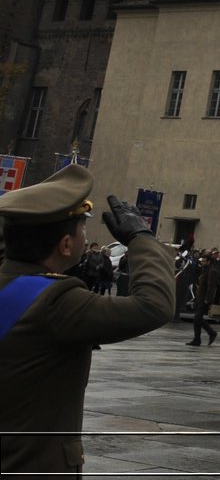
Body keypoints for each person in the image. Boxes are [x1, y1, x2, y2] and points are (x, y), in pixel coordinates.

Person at [0, 164, 177, 477]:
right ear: (66, 245)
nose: (84, 237)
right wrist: (141, 237)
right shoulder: (56, 301)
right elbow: (154, 305)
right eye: (82, 229)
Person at [189, 252, 220, 346]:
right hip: (200, 298)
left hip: (205, 299)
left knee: (197, 318)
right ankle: (197, 339)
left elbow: (211, 287)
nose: (202, 262)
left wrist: (208, 300)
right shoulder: (205, 270)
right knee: (197, 319)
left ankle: (211, 333)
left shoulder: (212, 271)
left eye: (204, 261)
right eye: (201, 261)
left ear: (209, 262)